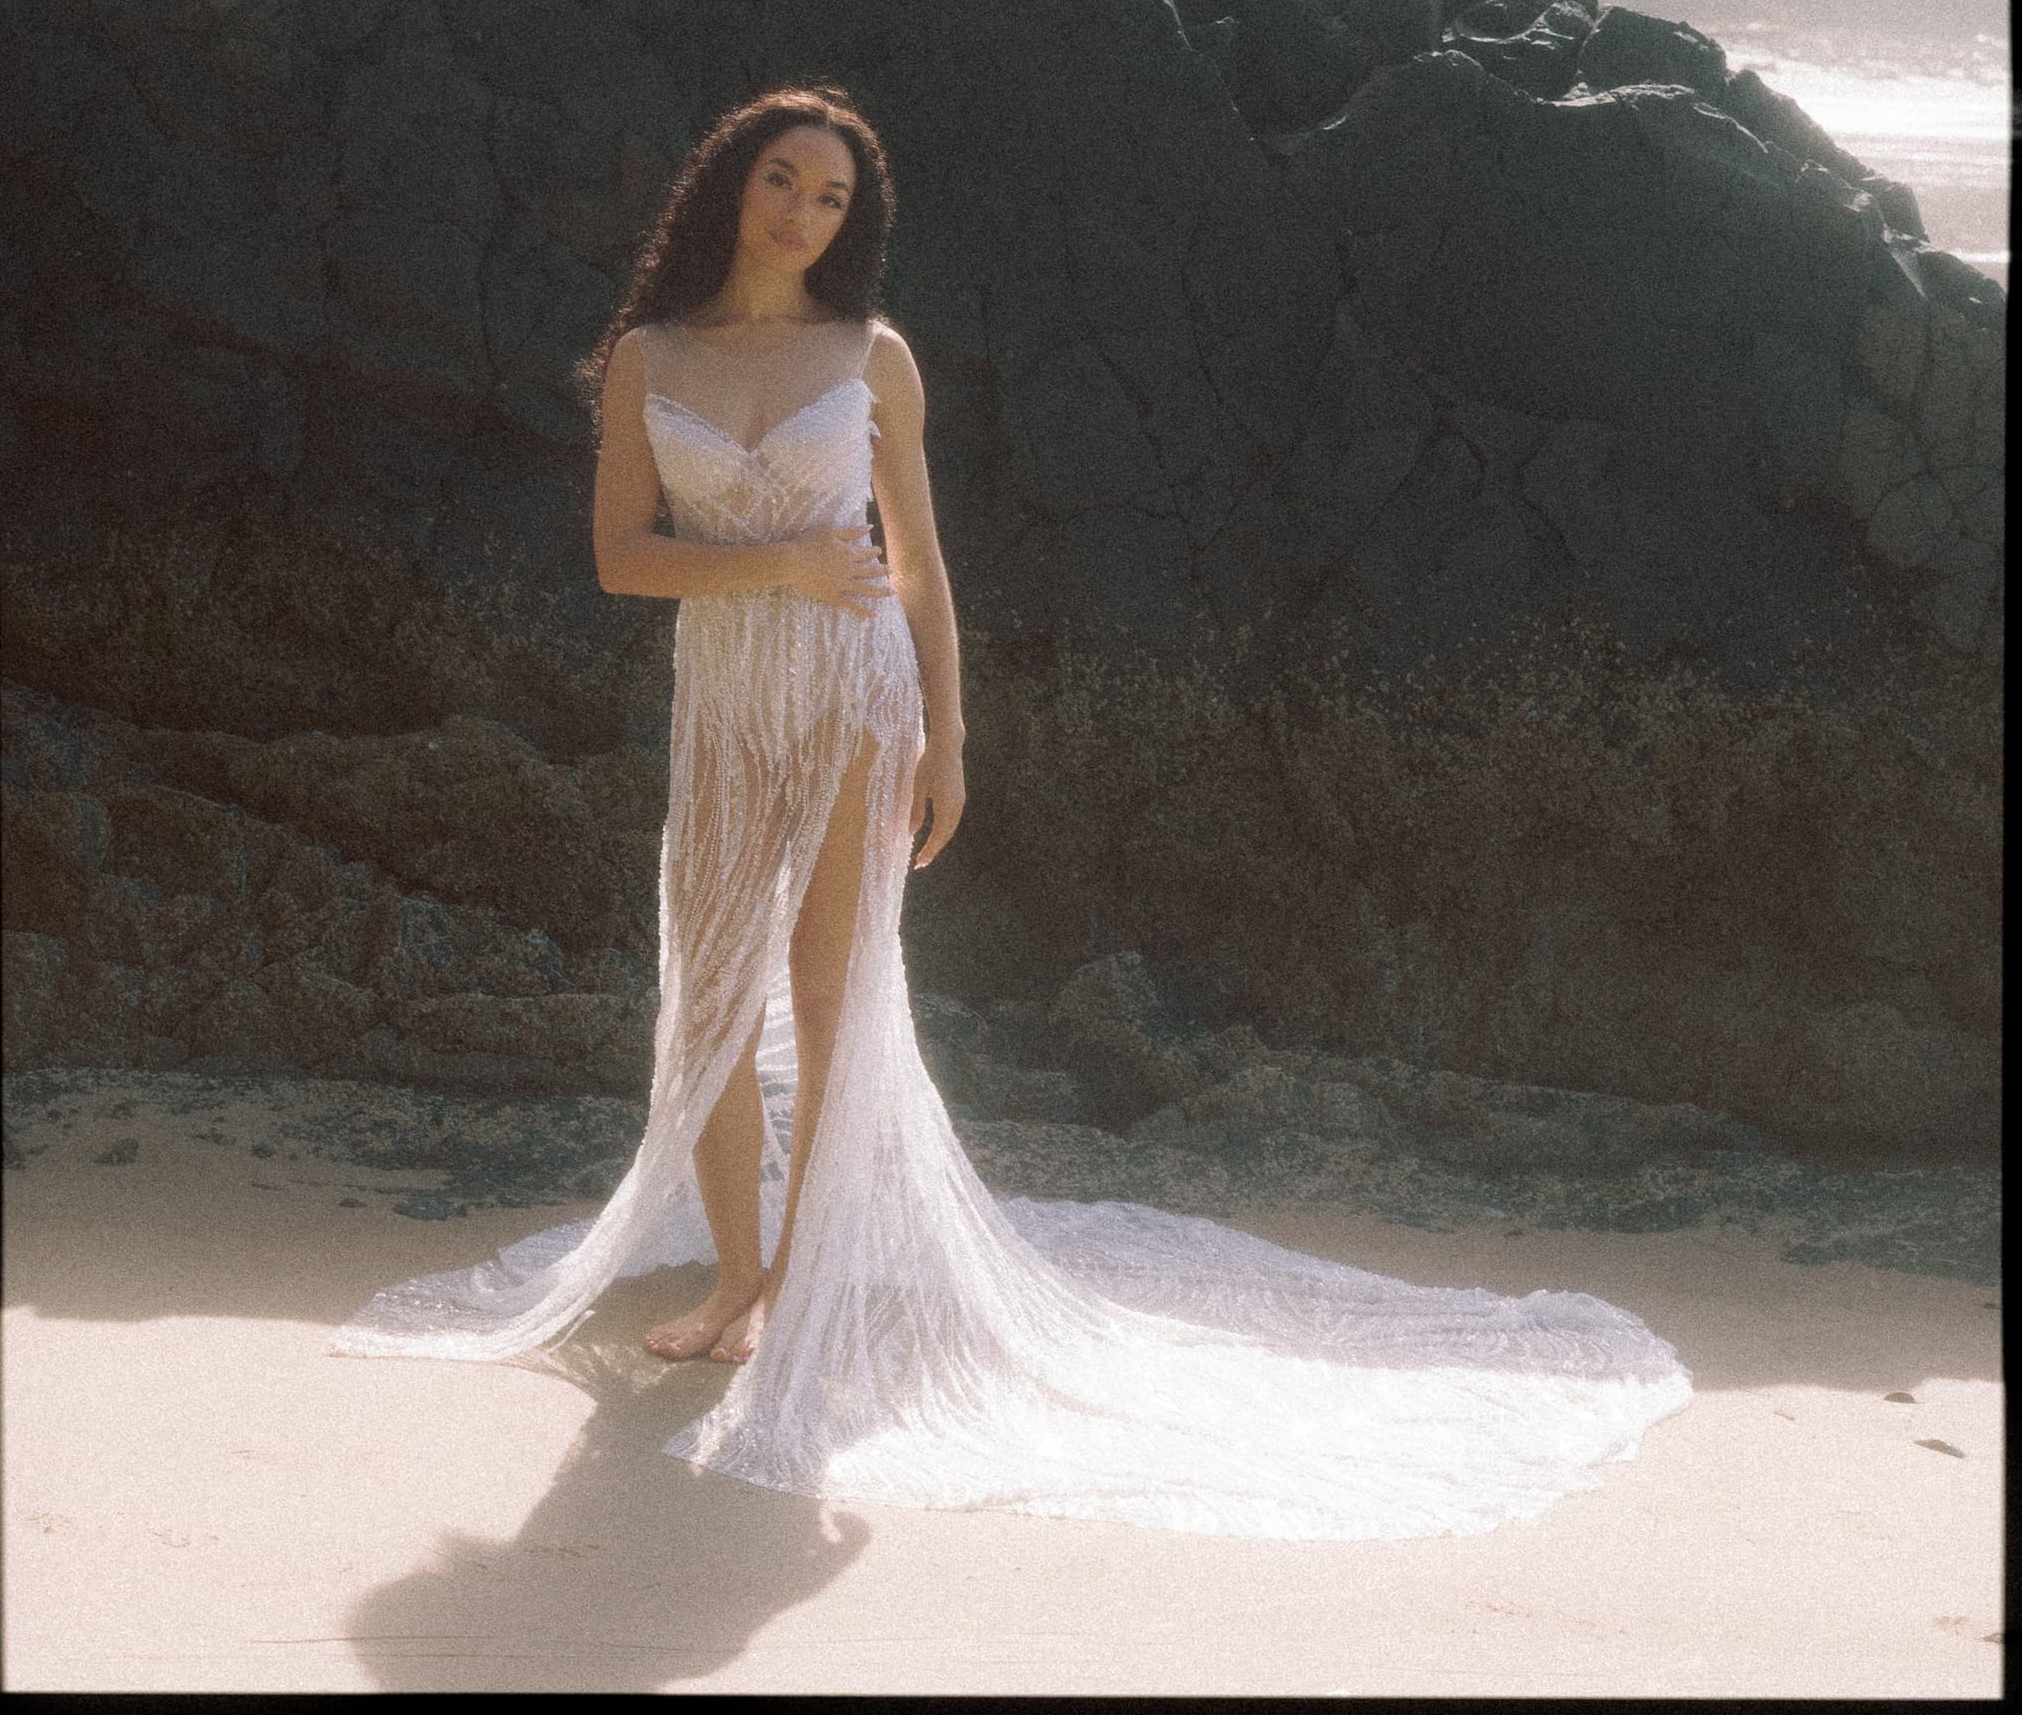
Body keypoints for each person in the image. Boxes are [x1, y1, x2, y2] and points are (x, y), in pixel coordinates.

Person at [331, 79, 1693, 1542]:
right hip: (725, 700)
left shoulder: (876, 357)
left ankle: (810, 1285)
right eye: (785, 179)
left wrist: (953, 735)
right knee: (709, 995)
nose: (804, 211)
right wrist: (779, 570)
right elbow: (620, 560)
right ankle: (741, 1281)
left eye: (834, 196)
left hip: (860, 699)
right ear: (734, 182)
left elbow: (918, 567)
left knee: (832, 992)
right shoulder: (647, 358)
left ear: (855, 221)